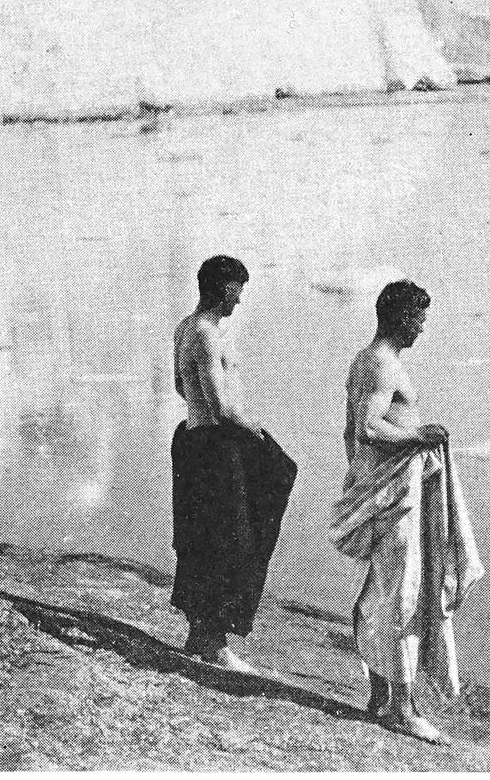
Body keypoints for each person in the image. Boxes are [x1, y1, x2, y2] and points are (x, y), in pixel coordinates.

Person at [330, 280, 482, 745]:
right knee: (403, 593)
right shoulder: (380, 363)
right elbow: (368, 426)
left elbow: (349, 434)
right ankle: (400, 707)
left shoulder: (367, 359)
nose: (421, 327)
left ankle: (381, 697)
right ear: (398, 317)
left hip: (387, 488)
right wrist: (419, 438)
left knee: (383, 590)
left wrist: (367, 478)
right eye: (418, 318)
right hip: (394, 496)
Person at [171, 255, 297, 672]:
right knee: (231, 540)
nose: (239, 300)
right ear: (223, 288)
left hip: (197, 438)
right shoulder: (206, 334)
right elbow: (223, 407)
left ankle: (200, 633)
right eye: (237, 290)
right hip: (215, 444)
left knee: (206, 537)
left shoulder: (185, 328)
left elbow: (180, 385)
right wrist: (256, 430)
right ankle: (215, 642)